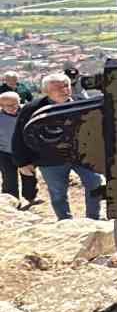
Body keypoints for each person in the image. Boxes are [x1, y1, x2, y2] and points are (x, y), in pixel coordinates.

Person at [11, 72, 107, 221]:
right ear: (46, 91)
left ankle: (93, 218)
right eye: (58, 88)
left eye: (66, 86)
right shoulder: (32, 109)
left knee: (95, 184)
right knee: (58, 193)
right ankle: (65, 221)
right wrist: (22, 162)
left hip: (82, 155)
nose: (64, 90)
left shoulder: (80, 102)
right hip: (49, 159)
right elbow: (20, 136)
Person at [0, 91, 39, 209]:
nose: (13, 108)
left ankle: (31, 197)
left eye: (15, 104)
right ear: (1, 105)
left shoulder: (27, 113)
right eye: (8, 105)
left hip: (25, 151)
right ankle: (12, 201)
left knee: (29, 175)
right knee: (9, 178)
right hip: (5, 152)